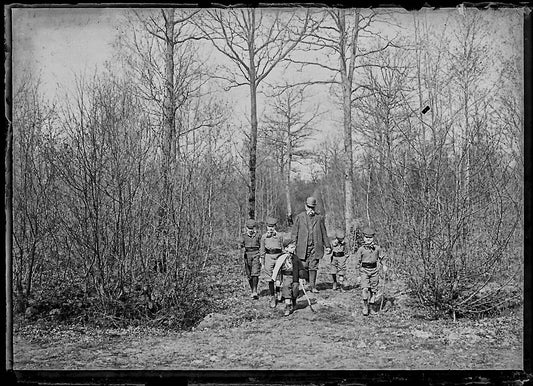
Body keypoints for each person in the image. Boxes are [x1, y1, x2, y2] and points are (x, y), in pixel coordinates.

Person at [291, 196, 331, 293]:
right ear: (305, 206)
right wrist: (292, 244)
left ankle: (312, 286)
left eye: (312, 207)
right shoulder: (299, 217)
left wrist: (328, 246)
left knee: (314, 266)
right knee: (303, 265)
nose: (311, 209)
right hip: (302, 247)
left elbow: (324, 233)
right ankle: (306, 280)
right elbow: (294, 233)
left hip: (315, 247)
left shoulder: (319, 218)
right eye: (309, 207)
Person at [354, 227, 387, 316]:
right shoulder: (361, 249)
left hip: (374, 271)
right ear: (364, 238)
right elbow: (357, 262)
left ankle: (371, 307)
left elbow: (382, 257)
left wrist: (384, 265)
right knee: (365, 289)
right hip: (364, 271)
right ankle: (365, 306)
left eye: (370, 238)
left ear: (373, 238)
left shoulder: (377, 248)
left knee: (373, 290)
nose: (368, 239)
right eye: (366, 237)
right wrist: (358, 275)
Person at [272, 237, 300, 316]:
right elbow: (277, 268)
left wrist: (301, 277)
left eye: (294, 247)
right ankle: (287, 306)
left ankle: (294, 301)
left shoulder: (295, 258)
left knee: (295, 290)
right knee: (287, 289)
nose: (293, 249)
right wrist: (277, 279)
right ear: (286, 248)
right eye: (291, 247)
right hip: (286, 277)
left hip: (295, 277)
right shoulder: (282, 257)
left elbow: (300, 267)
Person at [260, 216, 284, 308]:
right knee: (270, 278)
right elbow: (262, 250)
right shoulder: (264, 237)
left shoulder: (279, 236)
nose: (271, 228)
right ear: (266, 227)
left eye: (273, 226)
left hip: (278, 256)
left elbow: (282, 248)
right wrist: (262, 262)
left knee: (278, 276)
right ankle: (272, 296)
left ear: (275, 227)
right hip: (268, 257)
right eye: (269, 226)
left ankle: (278, 292)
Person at [238, 219, 261, 299]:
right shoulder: (243, 236)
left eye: (252, 228)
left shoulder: (258, 235)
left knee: (255, 273)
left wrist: (261, 256)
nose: (251, 230)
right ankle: (252, 290)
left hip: (256, 254)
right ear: (246, 228)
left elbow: (261, 246)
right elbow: (240, 245)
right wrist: (242, 249)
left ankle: (255, 291)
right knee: (249, 275)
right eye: (249, 229)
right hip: (247, 255)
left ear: (254, 228)